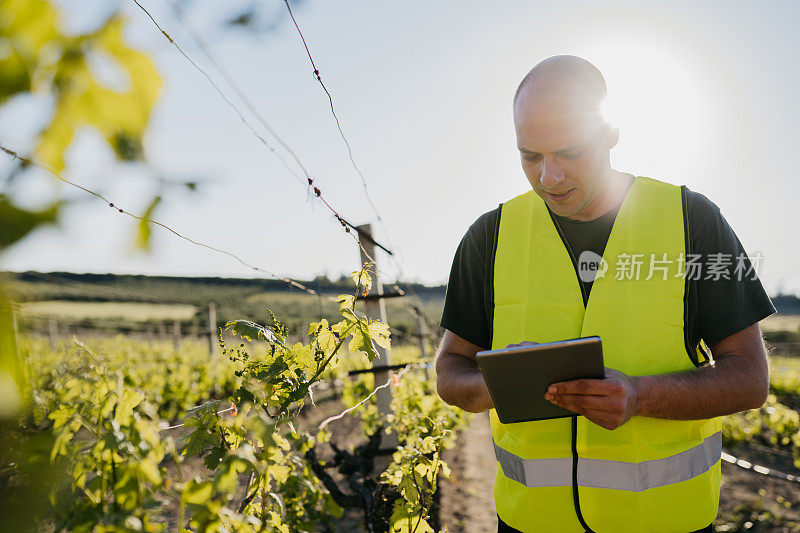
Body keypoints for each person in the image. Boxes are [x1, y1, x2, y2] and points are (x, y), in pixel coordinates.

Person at [434, 55, 776, 533]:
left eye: (569, 152)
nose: (548, 178)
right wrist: (495, 387)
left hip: (665, 524)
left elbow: (750, 379)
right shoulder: (488, 237)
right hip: (530, 524)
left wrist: (640, 395)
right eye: (530, 156)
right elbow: (450, 371)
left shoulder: (693, 221)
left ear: (611, 132)